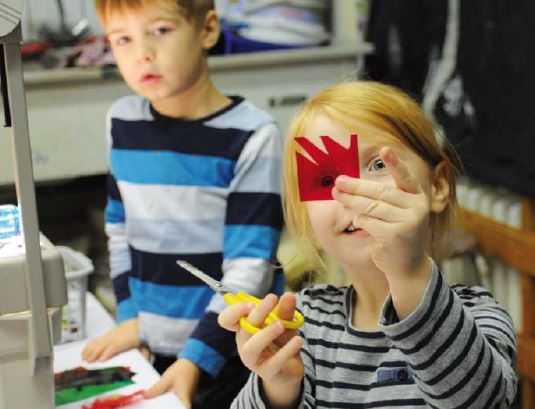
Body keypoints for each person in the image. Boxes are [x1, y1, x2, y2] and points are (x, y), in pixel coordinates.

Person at [218, 81, 518, 408]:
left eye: (377, 165)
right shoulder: (303, 320)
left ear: (438, 186)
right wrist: (278, 387)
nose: (353, 190)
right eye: (326, 179)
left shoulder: (479, 315)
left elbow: (482, 401)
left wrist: (409, 272)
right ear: (309, 222)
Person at [81, 1, 284, 408]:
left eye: (160, 31)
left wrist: (195, 358)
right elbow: (120, 232)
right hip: (152, 346)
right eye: (123, 39)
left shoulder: (253, 134)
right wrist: (131, 320)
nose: (143, 53)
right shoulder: (122, 120)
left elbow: (250, 269)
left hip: (227, 352)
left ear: (207, 30)